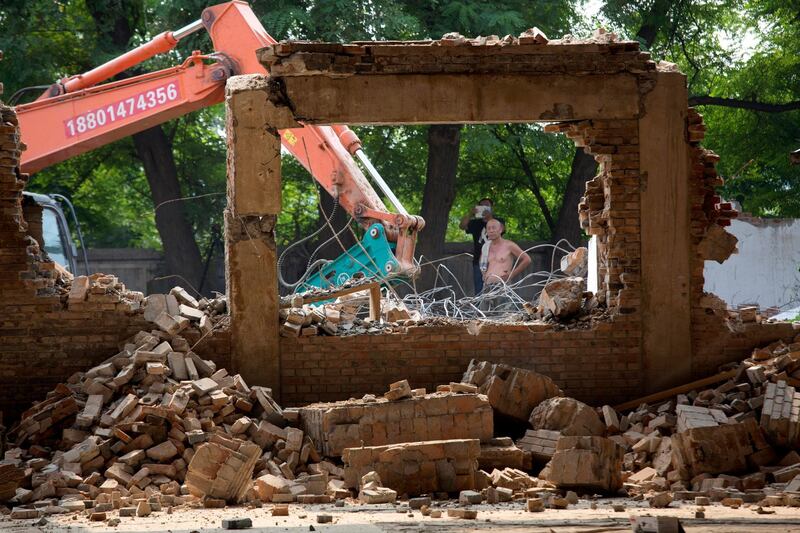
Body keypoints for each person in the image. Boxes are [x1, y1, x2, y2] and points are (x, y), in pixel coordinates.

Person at [479, 218, 531, 312]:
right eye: (488, 228)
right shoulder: (485, 247)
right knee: (485, 318)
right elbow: (482, 263)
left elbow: (527, 259)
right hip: (487, 287)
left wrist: (512, 274)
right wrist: (484, 274)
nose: (491, 230)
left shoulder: (509, 245)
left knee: (505, 317)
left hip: (503, 287)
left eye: (493, 228)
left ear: (500, 229)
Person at [459, 198, 504, 295]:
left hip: (496, 261)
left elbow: (502, 229)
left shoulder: (498, 221)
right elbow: (462, 226)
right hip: (478, 261)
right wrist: (471, 213)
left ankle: (495, 309)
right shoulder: (475, 223)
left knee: (496, 289)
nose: (484, 208)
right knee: (479, 289)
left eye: (487, 205)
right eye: (482, 206)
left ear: (492, 208)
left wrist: (489, 217)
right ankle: (479, 309)